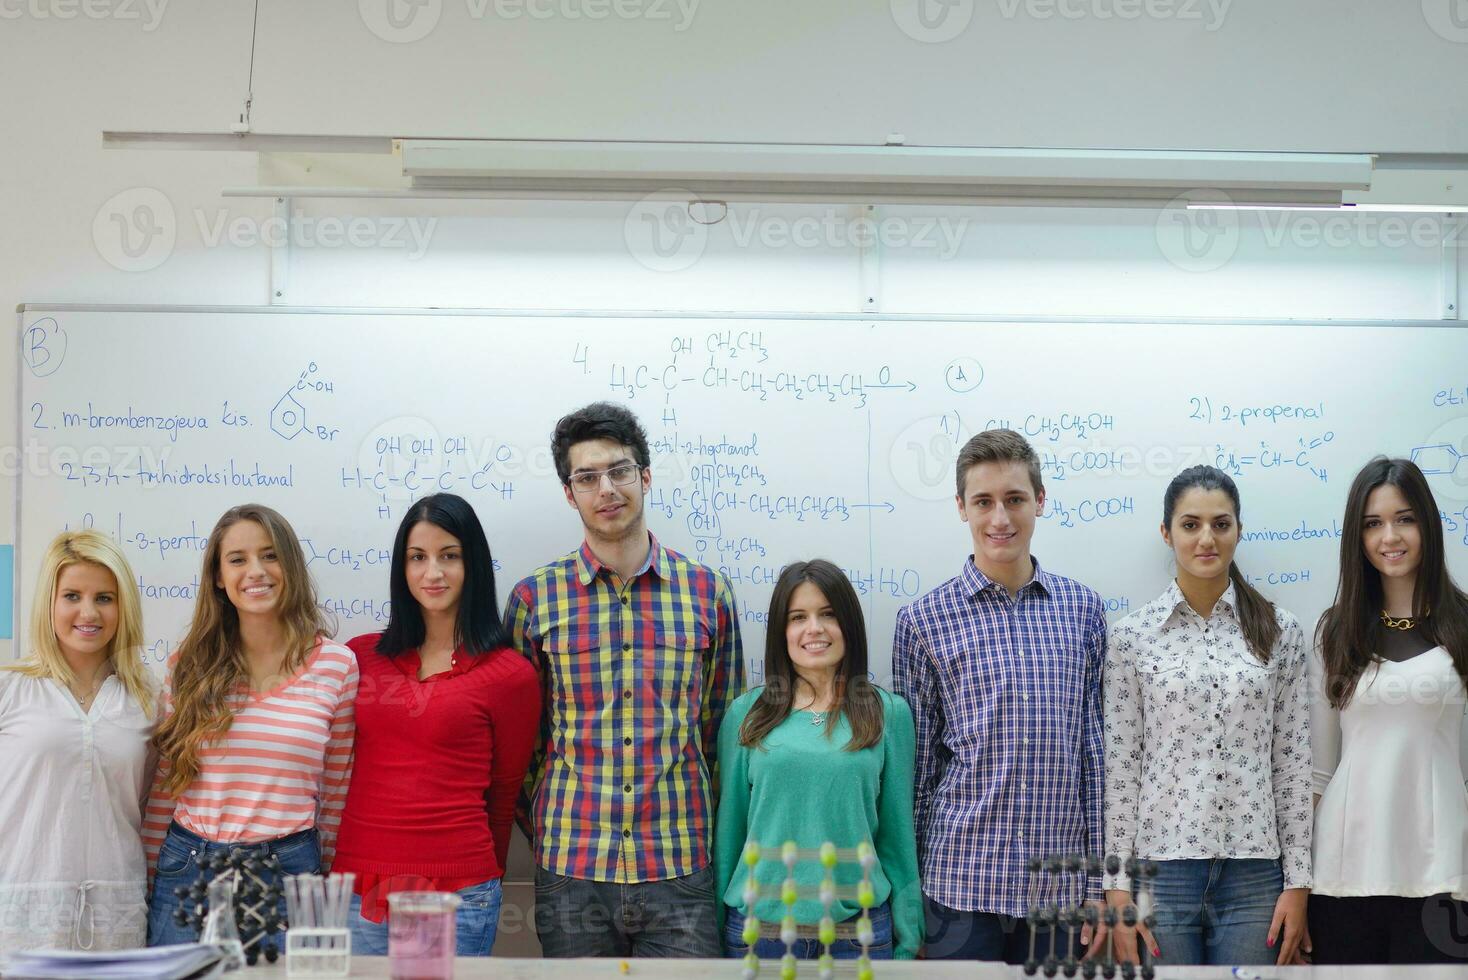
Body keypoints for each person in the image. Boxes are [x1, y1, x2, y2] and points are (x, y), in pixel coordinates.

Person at [506, 401, 745, 958]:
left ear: (644, 476)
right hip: (571, 868)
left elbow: (723, 737)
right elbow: (523, 745)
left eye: (618, 471)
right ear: (570, 493)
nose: (606, 488)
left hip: (681, 866)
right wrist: (548, 823)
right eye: (587, 477)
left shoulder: (709, 594)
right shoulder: (533, 600)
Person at [892, 428, 1107, 962]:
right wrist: (910, 897)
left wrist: (1101, 885)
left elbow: (1096, 755)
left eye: (1014, 499)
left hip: (1059, 888)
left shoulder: (1083, 611)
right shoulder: (922, 621)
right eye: (983, 501)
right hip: (958, 882)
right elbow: (918, 770)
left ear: (1040, 500)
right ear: (961, 507)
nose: (1000, 518)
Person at [1104, 466, 1311, 966]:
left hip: (1256, 875)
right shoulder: (1133, 637)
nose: (1206, 539)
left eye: (1221, 524)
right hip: (1161, 872)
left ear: (1239, 529)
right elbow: (1121, 768)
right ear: (1166, 533)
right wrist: (1116, 888)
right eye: (1190, 524)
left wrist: (1299, 882)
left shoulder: (1280, 632)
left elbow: (1293, 763)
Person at [143, 504, 357, 946]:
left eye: (270, 555)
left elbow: (335, 794)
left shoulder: (337, 666)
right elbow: (167, 783)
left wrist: (324, 885)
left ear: (290, 566)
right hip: (188, 865)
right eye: (237, 559)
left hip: (288, 871)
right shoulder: (189, 665)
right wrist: (148, 876)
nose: (255, 571)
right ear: (219, 577)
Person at [336, 493, 539, 956]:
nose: (433, 572)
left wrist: (479, 875)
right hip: (353, 887)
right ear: (401, 568)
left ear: (474, 566)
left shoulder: (509, 675)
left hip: (458, 893)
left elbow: (504, 794)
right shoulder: (359, 656)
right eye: (417, 557)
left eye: (450, 556)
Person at [715, 560, 922, 961]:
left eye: (828, 614)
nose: (814, 628)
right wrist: (711, 929)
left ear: (848, 624)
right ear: (781, 631)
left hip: (859, 936)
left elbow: (897, 838)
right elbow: (729, 834)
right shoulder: (746, 715)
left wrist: (910, 935)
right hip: (760, 936)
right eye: (798, 617)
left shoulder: (889, 714)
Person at [1309, 457, 1468, 963]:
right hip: (1344, 873)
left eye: (1404, 518)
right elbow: (1317, 772)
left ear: (1427, 524)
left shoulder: (1463, 627)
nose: (1389, 536)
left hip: (1442, 870)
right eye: (1372, 523)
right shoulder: (1335, 631)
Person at [0, 530, 156, 954]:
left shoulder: (147, 699)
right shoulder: (9, 688)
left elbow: (150, 808)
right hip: (18, 921)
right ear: (49, 603)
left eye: (104, 598)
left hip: (116, 919)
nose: (88, 612)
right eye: (72, 595)